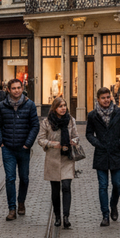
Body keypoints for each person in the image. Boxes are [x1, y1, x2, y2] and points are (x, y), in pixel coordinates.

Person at [0, 77, 39, 221]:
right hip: (8, 148)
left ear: (22, 88)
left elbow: (35, 125)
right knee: (10, 178)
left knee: (24, 178)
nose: (16, 90)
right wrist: (0, 142)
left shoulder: (30, 104)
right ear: (8, 90)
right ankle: (11, 208)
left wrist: (28, 143)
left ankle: (21, 202)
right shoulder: (2, 105)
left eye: (18, 88)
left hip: (24, 148)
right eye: (13, 88)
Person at [86, 86, 120, 227]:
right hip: (101, 154)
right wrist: (97, 143)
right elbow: (88, 134)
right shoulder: (93, 115)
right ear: (98, 99)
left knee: (117, 184)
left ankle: (113, 204)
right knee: (103, 186)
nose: (106, 100)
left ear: (111, 97)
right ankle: (105, 215)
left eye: (108, 97)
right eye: (103, 98)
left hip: (116, 153)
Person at [37, 96, 80, 229]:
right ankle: (57, 216)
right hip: (53, 159)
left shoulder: (70, 120)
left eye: (64, 106)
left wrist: (75, 141)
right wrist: (51, 144)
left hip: (67, 158)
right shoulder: (47, 122)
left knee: (66, 186)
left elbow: (76, 136)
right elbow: (40, 139)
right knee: (55, 190)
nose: (63, 108)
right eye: (60, 106)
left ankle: (66, 217)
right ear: (55, 108)